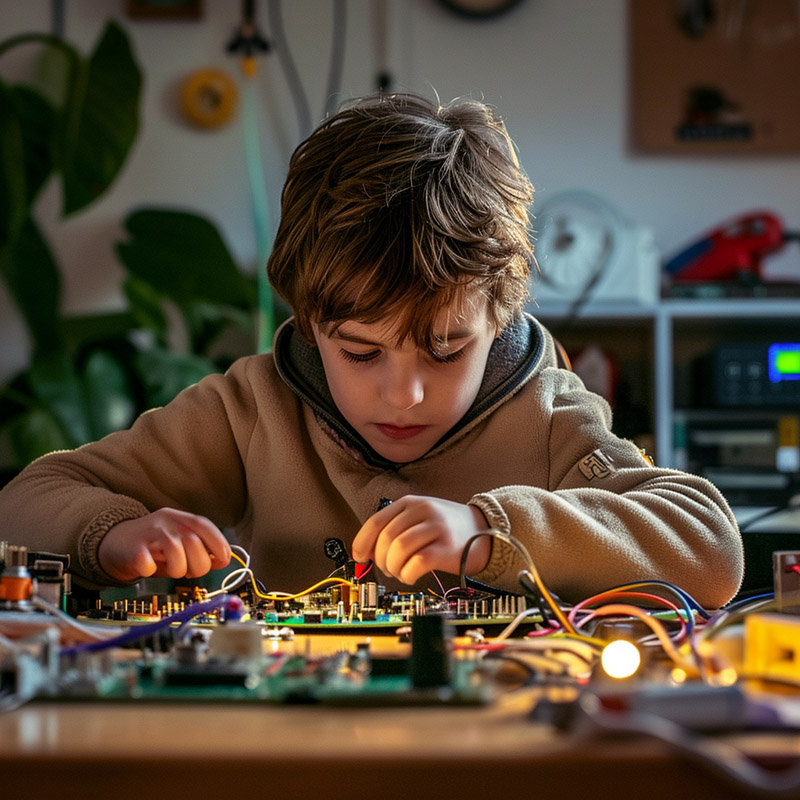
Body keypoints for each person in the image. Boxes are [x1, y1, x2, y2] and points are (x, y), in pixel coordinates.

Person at [0, 93, 744, 608]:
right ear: (308, 319)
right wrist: (116, 533)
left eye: (447, 350)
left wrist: (490, 533)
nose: (404, 394)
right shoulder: (250, 409)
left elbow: (709, 548)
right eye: (359, 354)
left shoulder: (547, 415)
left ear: (499, 316)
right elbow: (24, 501)